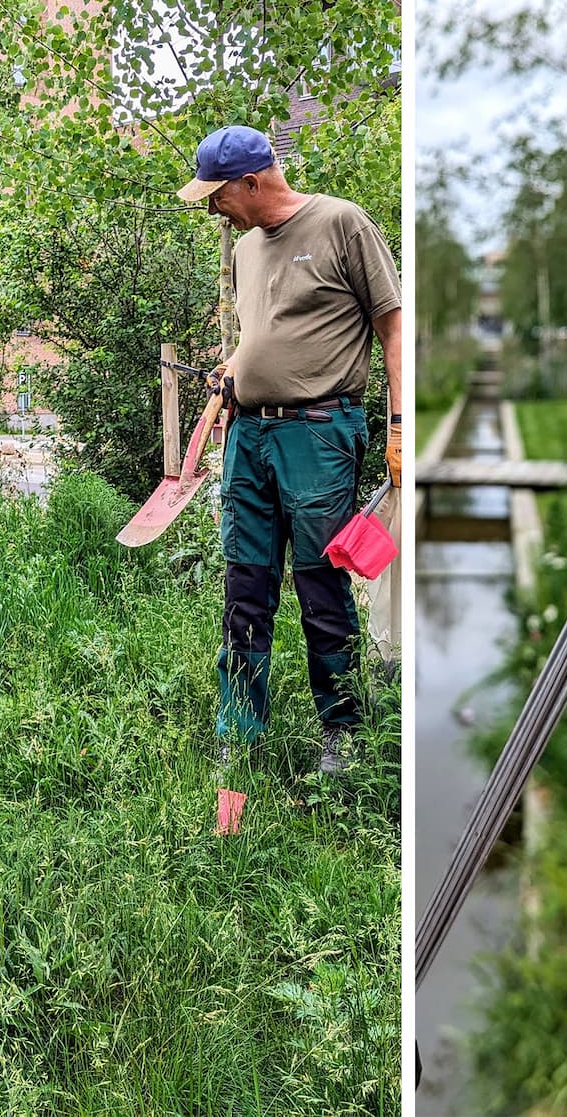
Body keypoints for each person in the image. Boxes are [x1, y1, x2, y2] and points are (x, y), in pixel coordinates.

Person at [178, 124, 403, 776]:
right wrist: (233, 370)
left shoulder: (341, 223)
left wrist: (397, 427)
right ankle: (240, 731)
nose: (212, 207)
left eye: (217, 194)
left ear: (251, 181)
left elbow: (393, 327)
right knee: (245, 586)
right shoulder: (246, 250)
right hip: (249, 436)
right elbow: (265, 335)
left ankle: (344, 732)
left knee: (320, 585)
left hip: (317, 434)